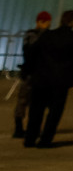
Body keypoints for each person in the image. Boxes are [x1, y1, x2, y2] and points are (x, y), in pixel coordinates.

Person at [23, 9, 73, 148]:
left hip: (41, 78)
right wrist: (71, 71)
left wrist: (30, 70)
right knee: (55, 112)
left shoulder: (47, 35)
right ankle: (46, 139)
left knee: (36, 110)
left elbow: (33, 53)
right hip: (61, 80)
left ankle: (30, 138)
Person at [12, 10, 50, 139]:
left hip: (38, 73)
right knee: (24, 101)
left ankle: (30, 128)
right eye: (42, 21)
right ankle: (19, 128)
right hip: (32, 73)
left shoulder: (35, 35)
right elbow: (30, 52)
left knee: (35, 102)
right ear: (38, 22)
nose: (44, 24)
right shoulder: (32, 35)